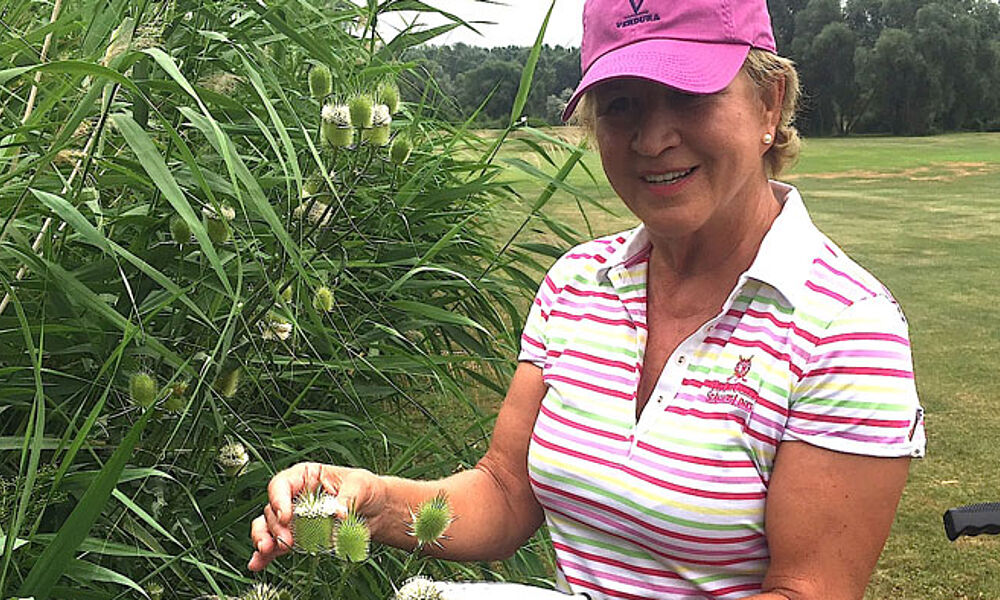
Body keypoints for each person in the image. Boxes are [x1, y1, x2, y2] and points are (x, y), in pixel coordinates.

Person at [249, 0, 927, 597]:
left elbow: (808, 590)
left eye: (689, 95)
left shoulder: (844, 327)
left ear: (769, 104)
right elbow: (505, 492)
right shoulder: (577, 282)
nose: (653, 139)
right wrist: (372, 503)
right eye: (622, 104)